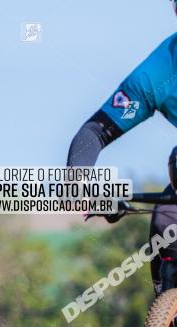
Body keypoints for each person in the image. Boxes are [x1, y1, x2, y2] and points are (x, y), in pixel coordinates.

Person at [67, 8, 177, 292]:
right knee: (165, 222)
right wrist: (78, 183)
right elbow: (95, 131)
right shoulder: (157, 73)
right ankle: (168, 326)